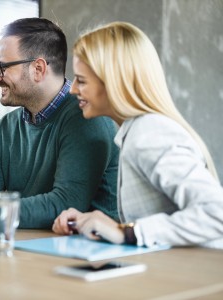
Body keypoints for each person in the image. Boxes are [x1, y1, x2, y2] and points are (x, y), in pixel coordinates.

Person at [0, 17, 119, 231]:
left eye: (2, 67)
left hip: (92, 256)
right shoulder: (5, 128)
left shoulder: (87, 118)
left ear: (38, 69)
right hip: (32, 250)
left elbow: (66, 204)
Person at [52, 21, 223, 248]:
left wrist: (129, 233)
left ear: (114, 81)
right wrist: (92, 221)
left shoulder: (149, 133)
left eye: (81, 80)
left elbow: (217, 212)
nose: (73, 90)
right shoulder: (135, 131)